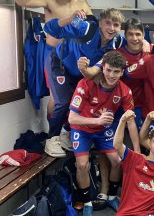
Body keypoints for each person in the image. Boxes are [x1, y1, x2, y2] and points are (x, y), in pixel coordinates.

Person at [15, 0, 92, 155]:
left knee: (75, 95)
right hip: (53, 55)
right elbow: (20, 1)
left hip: (73, 55)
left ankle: (65, 133)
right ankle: (53, 137)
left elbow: (92, 30)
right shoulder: (51, 0)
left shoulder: (82, 4)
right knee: (57, 98)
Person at [43, 8, 125, 157]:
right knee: (63, 101)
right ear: (100, 23)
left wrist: (146, 43)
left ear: (120, 28)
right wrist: (69, 18)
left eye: (116, 25)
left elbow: (134, 41)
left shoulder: (117, 41)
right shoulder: (85, 28)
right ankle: (51, 138)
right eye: (108, 23)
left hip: (80, 73)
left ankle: (66, 133)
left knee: (83, 102)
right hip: (59, 64)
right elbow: (50, 28)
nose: (111, 28)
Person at [68, 51, 135, 216]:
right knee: (83, 165)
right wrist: (97, 121)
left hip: (104, 130)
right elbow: (72, 119)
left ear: (122, 72)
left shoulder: (124, 91)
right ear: (102, 68)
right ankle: (87, 203)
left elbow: (130, 120)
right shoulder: (86, 84)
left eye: (116, 71)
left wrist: (138, 151)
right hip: (82, 129)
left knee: (117, 161)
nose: (112, 75)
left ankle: (112, 196)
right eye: (108, 70)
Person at [114, 109, 154, 215]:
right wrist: (122, 121)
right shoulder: (135, 159)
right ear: (149, 143)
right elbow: (117, 145)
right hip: (127, 213)